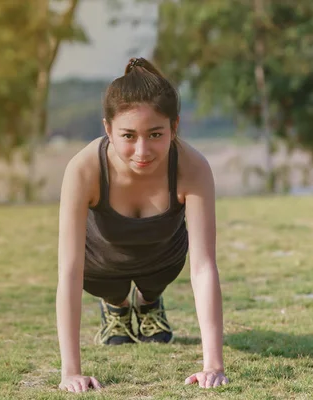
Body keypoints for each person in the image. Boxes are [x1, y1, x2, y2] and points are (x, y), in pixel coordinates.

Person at [56, 57, 228, 393]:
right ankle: (117, 307)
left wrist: (213, 365)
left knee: (153, 286)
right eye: (128, 136)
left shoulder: (192, 167)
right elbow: (69, 272)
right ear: (108, 129)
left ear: (174, 127)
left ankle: (150, 303)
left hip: (162, 260)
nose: (142, 150)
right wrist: (70, 372)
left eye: (155, 134)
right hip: (100, 266)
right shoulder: (83, 169)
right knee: (113, 292)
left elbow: (204, 266)